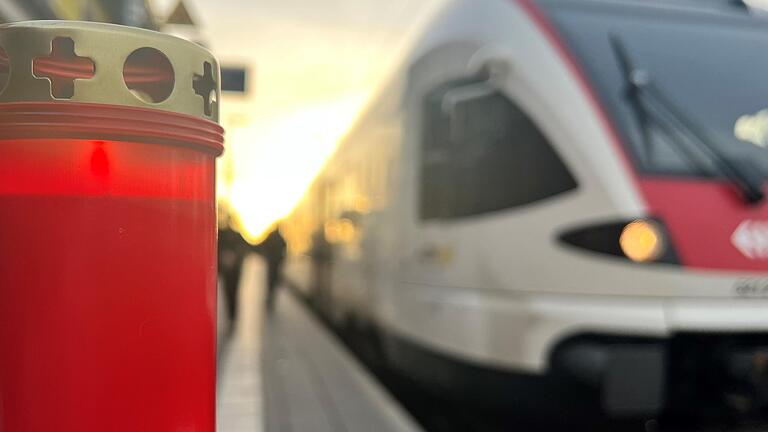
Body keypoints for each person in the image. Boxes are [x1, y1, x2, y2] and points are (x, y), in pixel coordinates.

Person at [218, 215, 250, 329]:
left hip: (234, 271)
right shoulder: (225, 234)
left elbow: (244, 249)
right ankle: (231, 316)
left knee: (232, 294)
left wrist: (234, 258)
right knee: (228, 293)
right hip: (229, 272)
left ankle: (232, 316)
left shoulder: (235, 235)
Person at [257, 224, 286, 311]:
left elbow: (263, 245)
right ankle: (271, 299)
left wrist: (266, 255)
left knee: (270, 281)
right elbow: (284, 250)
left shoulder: (271, 236)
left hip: (271, 262)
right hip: (276, 263)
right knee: (273, 282)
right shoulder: (281, 238)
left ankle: (269, 298)